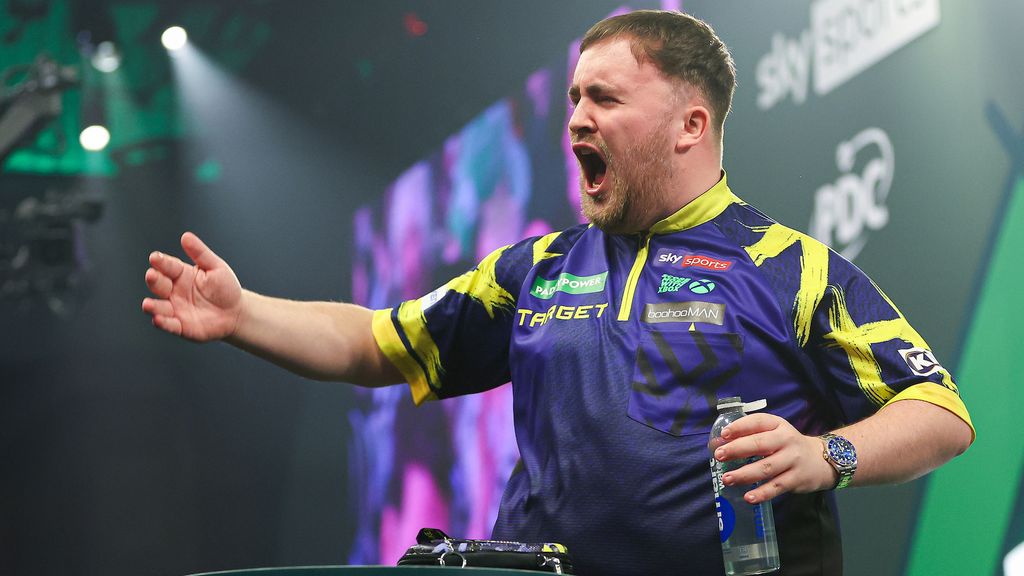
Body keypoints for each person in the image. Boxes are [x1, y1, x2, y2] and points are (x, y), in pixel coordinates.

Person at [142, 10, 974, 576]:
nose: (575, 118)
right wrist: (243, 314)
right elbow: (373, 343)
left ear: (690, 125)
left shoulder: (790, 267)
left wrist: (827, 456)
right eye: (574, 97)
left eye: (604, 98)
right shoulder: (535, 267)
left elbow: (940, 412)